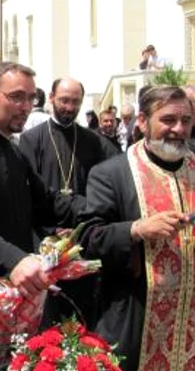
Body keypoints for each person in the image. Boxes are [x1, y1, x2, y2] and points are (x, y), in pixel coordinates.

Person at [80, 86, 195, 371]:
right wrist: (136, 229)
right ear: (143, 122)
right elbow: (89, 238)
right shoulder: (111, 173)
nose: (179, 129)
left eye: (185, 120)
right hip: (138, 313)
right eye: (168, 120)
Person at [0, 63, 84, 298]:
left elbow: (48, 203)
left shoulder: (13, 148)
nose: (27, 107)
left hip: (18, 284)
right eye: (17, 97)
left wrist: (103, 207)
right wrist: (14, 259)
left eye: (31, 98)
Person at [19, 77, 118, 324]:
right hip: (44, 235)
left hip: (81, 235)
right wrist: (53, 230)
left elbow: (104, 186)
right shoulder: (31, 139)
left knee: (82, 309)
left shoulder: (93, 141)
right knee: (47, 309)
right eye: (64, 100)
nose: (69, 107)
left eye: (75, 102)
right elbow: (30, 192)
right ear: (51, 98)